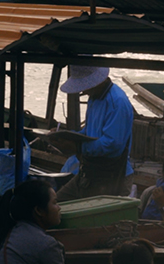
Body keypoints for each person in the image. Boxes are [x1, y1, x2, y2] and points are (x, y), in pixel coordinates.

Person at [55, 66, 134, 201]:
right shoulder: (94, 98)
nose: (83, 91)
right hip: (90, 171)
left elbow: (112, 145)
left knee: (93, 219)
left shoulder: (117, 102)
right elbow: (89, 132)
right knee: (58, 202)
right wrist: (65, 136)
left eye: (85, 86)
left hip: (112, 177)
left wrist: (77, 147)